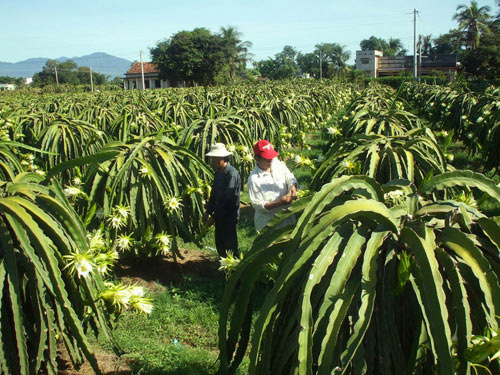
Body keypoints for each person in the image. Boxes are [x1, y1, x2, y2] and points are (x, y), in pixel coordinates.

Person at [248, 140, 298, 232]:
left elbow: (289, 177)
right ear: (257, 158)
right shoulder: (254, 179)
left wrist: (293, 187)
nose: (270, 160)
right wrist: (280, 203)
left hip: (288, 218)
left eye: (271, 156)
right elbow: (258, 205)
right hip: (268, 224)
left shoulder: (277, 163)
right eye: (266, 158)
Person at [203, 143, 241, 257]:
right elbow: (214, 193)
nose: (212, 160)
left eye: (214, 158)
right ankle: (223, 269)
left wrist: (214, 217)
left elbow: (228, 199)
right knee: (220, 244)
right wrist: (208, 211)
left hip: (229, 216)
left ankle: (234, 271)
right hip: (219, 215)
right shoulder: (218, 171)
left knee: (230, 246)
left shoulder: (231, 174)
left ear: (222, 158)